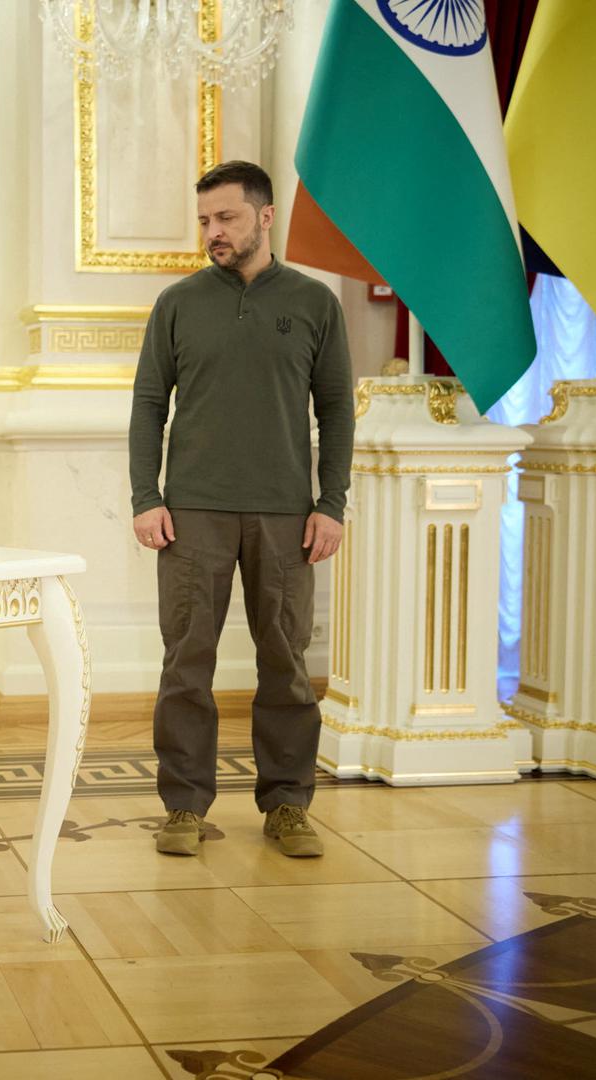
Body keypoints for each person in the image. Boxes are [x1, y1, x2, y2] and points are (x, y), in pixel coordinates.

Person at [127, 160, 353, 859]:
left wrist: (331, 503)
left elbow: (338, 408)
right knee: (185, 663)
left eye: (224, 218)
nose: (212, 233)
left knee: (285, 661)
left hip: (287, 515)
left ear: (265, 215)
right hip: (192, 513)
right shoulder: (178, 304)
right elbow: (148, 405)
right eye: (204, 221)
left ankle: (287, 803)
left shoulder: (315, 303)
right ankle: (184, 807)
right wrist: (146, 497)